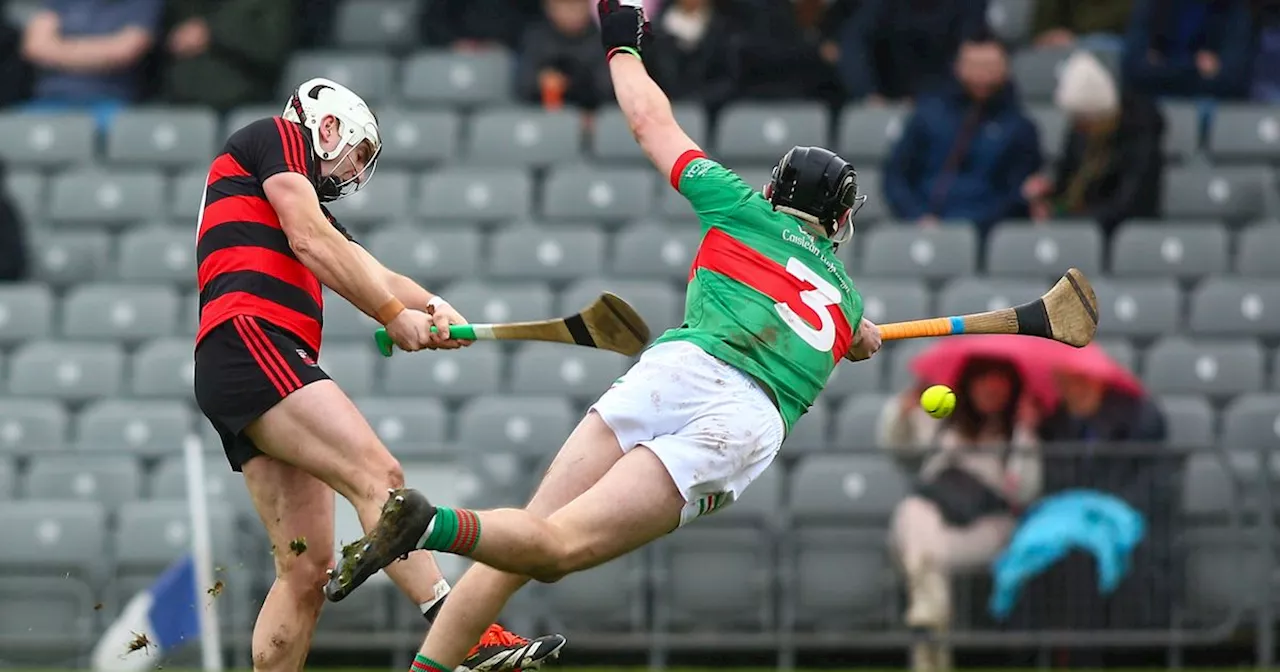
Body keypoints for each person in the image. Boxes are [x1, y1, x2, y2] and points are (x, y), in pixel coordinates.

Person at [321, 4, 884, 672]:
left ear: (774, 191)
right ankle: (431, 524)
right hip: (738, 418)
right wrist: (854, 334)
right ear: (840, 219)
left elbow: (651, 122)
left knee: (526, 535)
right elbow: (829, 324)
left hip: (675, 366)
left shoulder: (741, 207)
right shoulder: (846, 299)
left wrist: (622, 46)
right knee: (554, 552)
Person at [192, 78, 565, 672]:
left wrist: (432, 308)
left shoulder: (301, 199)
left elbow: (374, 273)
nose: (355, 171)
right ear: (327, 125)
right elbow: (310, 240)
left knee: (306, 570)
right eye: (357, 152)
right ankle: (462, 635)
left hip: (242, 363)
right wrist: (392, 317)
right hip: (251, 343)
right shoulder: (277, 138)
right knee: (380, 478)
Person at [878, 359, 1042, 672]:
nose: (991, 388)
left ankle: (929, 630)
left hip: (987, 525)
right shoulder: (944, 421)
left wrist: (1026, 431)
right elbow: (897, 446)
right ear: (968, 383)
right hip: (934, 516)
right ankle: (930, 626)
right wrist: (902, 412)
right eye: (984, 379)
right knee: (912, 512)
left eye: (1000, 381)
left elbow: (1026, 492)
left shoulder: (1017, 432)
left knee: (926, 556)